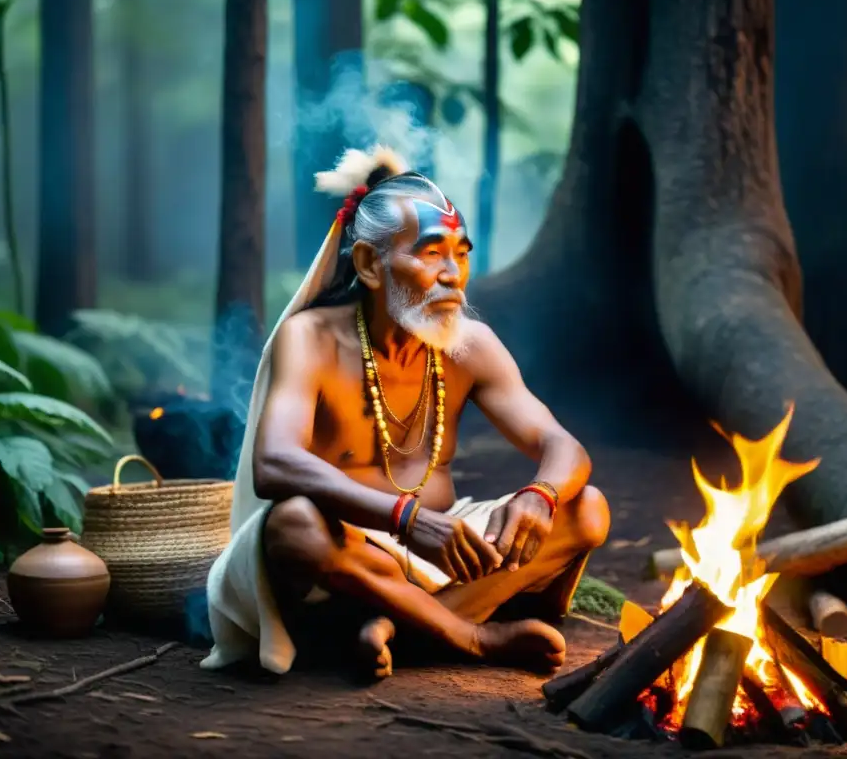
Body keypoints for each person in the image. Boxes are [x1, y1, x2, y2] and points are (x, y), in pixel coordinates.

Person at [203, 146, 610, 679]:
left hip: (439, 555)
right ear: (371, 265)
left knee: (586, 508)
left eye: (460, 254)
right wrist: (408, 520)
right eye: (431, 253)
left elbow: (562, 446)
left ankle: (396, 624)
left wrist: (540, 495)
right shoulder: (311, 338)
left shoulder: (470, 346)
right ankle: (469, 636)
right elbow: (275, 463)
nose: (453, 276)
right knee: (294, 524)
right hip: (340, 561)